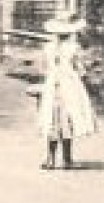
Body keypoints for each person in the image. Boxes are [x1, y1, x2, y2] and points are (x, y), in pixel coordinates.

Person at [36, 13, 97, 170]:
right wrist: (86, 71)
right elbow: (81, 69)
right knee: (67, 119)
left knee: (53, 119)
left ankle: (50, 159)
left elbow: (44, 68)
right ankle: (67, 159)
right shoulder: (74, 48)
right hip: (69, 84)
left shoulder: (48, 48)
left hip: (53, 85)